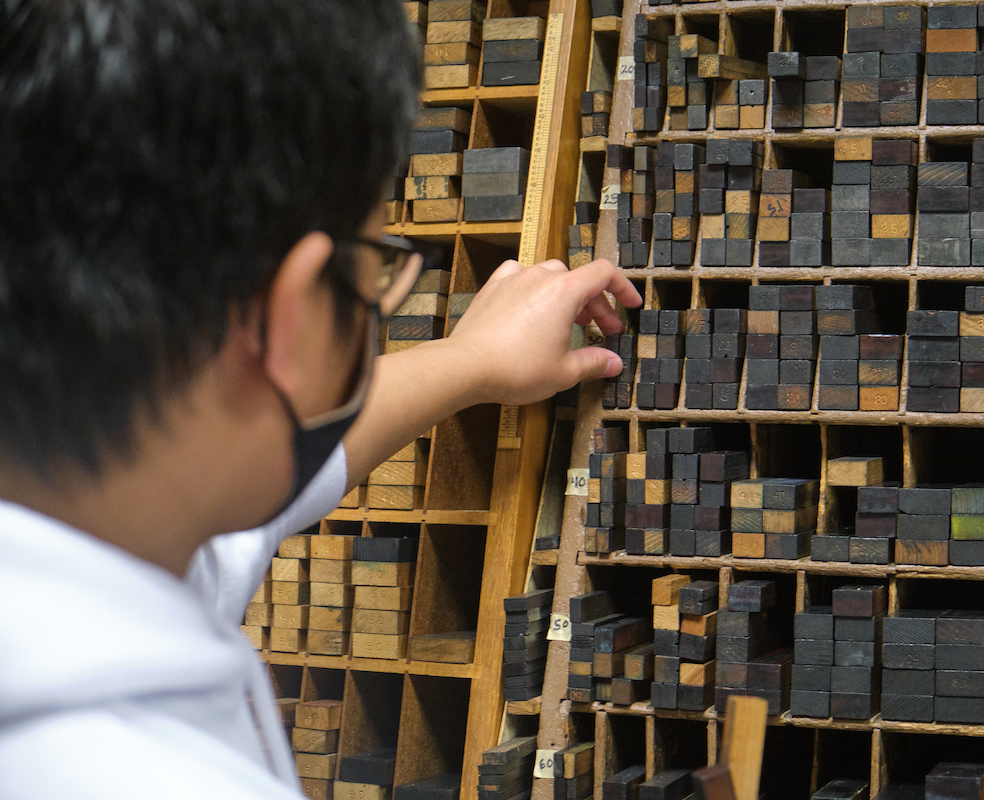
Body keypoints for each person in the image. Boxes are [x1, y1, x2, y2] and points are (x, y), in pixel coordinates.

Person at [0, 1, 640, 797]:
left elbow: (257, 466)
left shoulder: (110, 515)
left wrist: (471, 361)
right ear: (292, 316)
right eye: (376, 263)